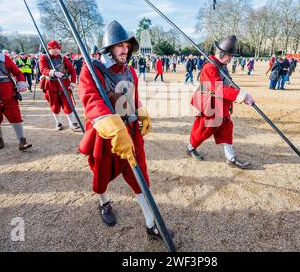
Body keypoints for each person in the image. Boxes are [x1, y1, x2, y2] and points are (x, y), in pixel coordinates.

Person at [78, 20, 173, 241]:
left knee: (141, 177)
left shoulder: (130, 71)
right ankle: (104, 202)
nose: (125, 49)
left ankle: (152, 224)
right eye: (120, 45)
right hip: (105, 134)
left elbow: (134, 99)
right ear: (109, 47)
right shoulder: (90, 70)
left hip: (130, 131)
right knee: (101, 175)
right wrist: (113, 127)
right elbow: (91, 102)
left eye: (127, 46)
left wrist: (140, 110)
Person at [187, 35, 254, 169]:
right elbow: (218, 88)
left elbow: (228, 85)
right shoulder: (209, 67)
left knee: (226, 130)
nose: (231, 58)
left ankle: (231, 158)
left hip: (221, 106)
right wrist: (239, 95)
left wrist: (243, 95)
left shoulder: (222, 66)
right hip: (210, 107)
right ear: (223, 54)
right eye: (230, 55)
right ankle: (190, 148)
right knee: (203, 131)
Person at [39, 40, 79, 131]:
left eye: (57, 48)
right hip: (50, 85)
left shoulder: (63, 58)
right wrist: (53, 72)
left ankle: (72, 124)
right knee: (55, 106)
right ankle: (58, 123)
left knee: (68, 104)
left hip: (64, 84)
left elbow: (72, 71)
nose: (55, 50)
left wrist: (72, 83)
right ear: (48, 49)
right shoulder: (43, 58)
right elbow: (43, 69)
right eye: (53, 49)